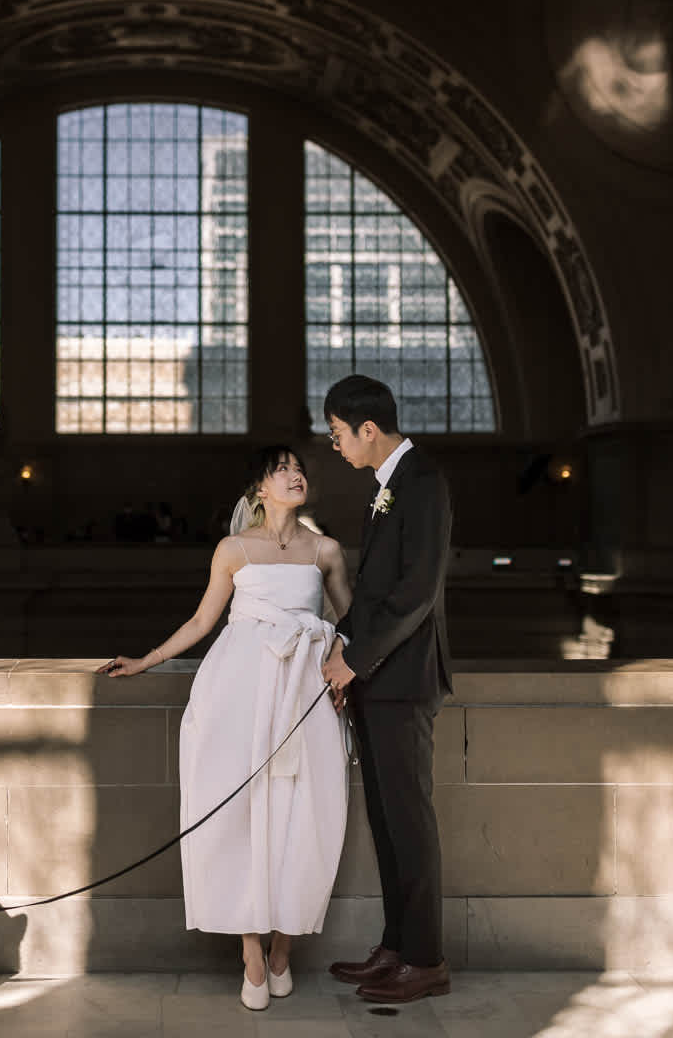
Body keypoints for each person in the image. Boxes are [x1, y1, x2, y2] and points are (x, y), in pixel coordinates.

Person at [100, 446, 352, 1011]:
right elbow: (201, 621)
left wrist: (338, 655)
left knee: (305, 812)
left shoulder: (326, 550)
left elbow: (349, 621)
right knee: (239, 811)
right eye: (283, 469)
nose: (296, 475)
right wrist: (147, 659)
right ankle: (252, 954)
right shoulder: (233, 549)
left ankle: (284, 948)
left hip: (304, 690)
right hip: (238, 689)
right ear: (259, 489)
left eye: (299, 468)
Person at [319, 374, 455, 1003]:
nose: (335, 446)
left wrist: (358, 659)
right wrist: (342, 645)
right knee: (385, 821)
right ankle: (395, 947)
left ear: (367, 428)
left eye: (338, 433)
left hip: (402, 682)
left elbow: (416, 595)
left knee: (408, 821)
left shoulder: (422, 482)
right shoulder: (387, 486)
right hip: (377, 679)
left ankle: (424, 961)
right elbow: (375, 595)